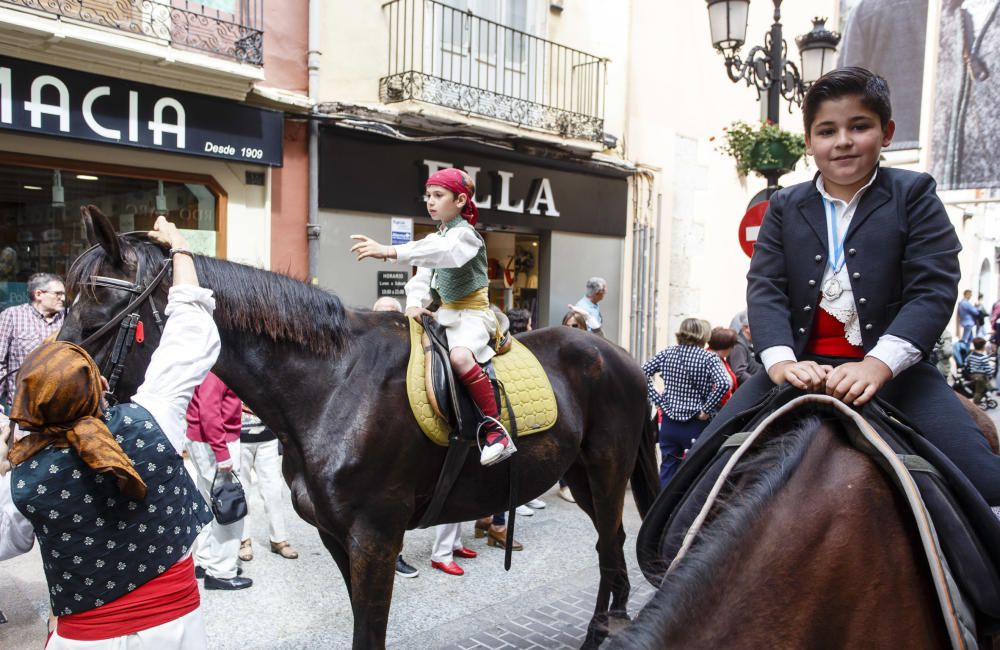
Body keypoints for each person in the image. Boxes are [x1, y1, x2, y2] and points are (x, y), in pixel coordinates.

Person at [700, 66, 1000, 507]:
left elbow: (932, 288)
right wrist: (781, 363)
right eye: (827, 130)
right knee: (700, 466)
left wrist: (878, 365)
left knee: (986, 481)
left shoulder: (914, 194)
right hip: (797, 370)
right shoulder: (784, 205)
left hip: (896, 374)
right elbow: (765, 287)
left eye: (858, 126)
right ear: (809, 142)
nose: (842, 140)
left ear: (887, 132)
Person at [0, 217, 219, 647]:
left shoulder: (21, 484)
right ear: (99, 384)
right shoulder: (154, 418)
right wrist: (180, 248)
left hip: (86, 640)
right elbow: (192, 326)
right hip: (177, 632)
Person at [351, 168, 516, 467]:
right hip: (443, 315)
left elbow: (441, 253)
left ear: (460, 199)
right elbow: (422, 276)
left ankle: (495, 430)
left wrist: (387, 251)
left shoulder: (465, 237)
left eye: (438, 195)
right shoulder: (436, 238)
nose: (430, 201)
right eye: (428, 196)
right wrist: (413, 304)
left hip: (473, 316)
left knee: (461, 357)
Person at [643, 318, 730, 488]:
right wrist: (707, 408)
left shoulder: (667, 353)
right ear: (703, 335)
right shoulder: (709, 358)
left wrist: (658, 400)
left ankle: (664, 510)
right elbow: (724, 383)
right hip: (697, 422)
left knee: (668, 467)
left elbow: (641, 373)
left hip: (669, 421)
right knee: (696, 470)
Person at [185, 372, 252, 590]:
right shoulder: (216, 372)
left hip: (202, 440)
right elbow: (209, 412)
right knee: (229, 507)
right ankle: (221, 571)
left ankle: (206, 561)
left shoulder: (205, 366)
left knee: (209, 503)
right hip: (214, 443)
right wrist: (222, 454)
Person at [238, 406, 298, 563]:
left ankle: (279, 539)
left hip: (267, 437)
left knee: (274, 491)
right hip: (238, 437)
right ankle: (243, 540)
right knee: (242, 491)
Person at [0, 273, 65, 412]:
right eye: (58, 294)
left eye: (64, 294)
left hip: (59, 409)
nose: (63, 298)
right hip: (21, 408)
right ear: (39, 294)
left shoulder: (68, 318)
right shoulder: (12, 316)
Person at [707, 327, 739, 407]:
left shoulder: (719, 358)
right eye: (731, 346)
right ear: (725, 347)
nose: (732, 349)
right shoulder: (709, 359)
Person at [728, 311, 762, 386]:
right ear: (746, 328)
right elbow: (739, 373)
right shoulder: (738, 345)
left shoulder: (748, 342)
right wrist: (758, 384)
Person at [965, 337, 995, 405]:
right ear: (983, 346)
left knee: (980, 387)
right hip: (981, 376)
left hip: (973, 375)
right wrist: (990, 375)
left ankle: (988, 392)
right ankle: (976, 403)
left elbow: (966, 363)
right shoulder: (983, 357)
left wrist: (970, 371)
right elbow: (988, 368)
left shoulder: (971, 355)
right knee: (979, 391)